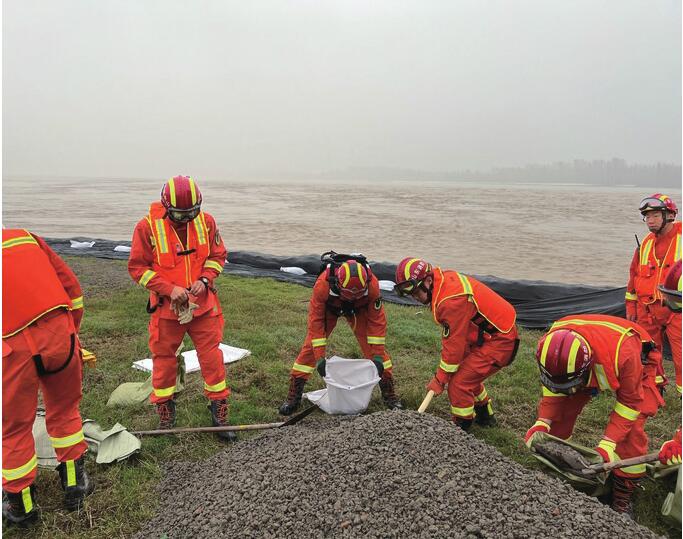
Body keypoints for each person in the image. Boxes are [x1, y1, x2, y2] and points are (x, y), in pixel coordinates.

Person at [524, 315, 664, 517]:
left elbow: (630, 403)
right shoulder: (551, 346)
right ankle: (561, 468)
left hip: (638, 363)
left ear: (588, 366)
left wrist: (608, 444)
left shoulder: (624, 354)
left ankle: (623, 492)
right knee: (559, 418)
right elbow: (553, 389)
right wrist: (542, 422)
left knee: (630, 434)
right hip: (584, 367)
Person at [128, 175, 234, 441]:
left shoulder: (207, 222)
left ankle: (219, 412)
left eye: (191, 213)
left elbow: (218, 255)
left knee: (211, 358)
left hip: (203, 306)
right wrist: (169, 289)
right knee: (163, 360)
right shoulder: (147, 227)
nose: (186, 219)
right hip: (167, 310)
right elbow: (137, 268)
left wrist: (205, 279)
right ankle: (165, 412)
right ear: (165, 206)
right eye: (179, 214)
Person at [2, 229, 94, 525]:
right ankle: (75, 486)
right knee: (65, 409)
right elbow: (73, 290)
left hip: (10, 348)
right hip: (59, 332)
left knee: (13, 429)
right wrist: (71, 334)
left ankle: (22, 508)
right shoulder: (24, 237)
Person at [394, 257, 519, 431]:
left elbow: (453, 349)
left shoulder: (450, 301)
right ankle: (485, 416)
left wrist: (440, 379)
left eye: (415, 292)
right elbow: (456, 340)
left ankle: (461, 428)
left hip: (501, 341)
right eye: (410, 294)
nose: (414, 298)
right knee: (466, 374)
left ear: (428, 280)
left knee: (458, 384)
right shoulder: (442, 280)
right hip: (486, 334)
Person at [279, 254, 402, 415]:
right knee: (309, 350)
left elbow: (377, 323)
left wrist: (378, 356)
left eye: (357, 294)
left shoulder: (372, 287)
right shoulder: (322, 285)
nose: (352, 297)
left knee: (374, 350)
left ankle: (389, 395)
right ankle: (293, 396)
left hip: (359, 310)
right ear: (337, 283)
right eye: (349, 294)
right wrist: (320, 357)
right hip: (331, 309)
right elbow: (316, 324)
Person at [625, 193, 681, 394]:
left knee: (681, 357)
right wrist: (631, 307)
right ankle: (654, 388)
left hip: (678, 310)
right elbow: (633, 278)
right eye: (647, 216)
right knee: (648, 354)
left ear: (670, 215)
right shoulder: (646, 244)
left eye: (655, 215)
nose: (650, 220)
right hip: (647, 310)